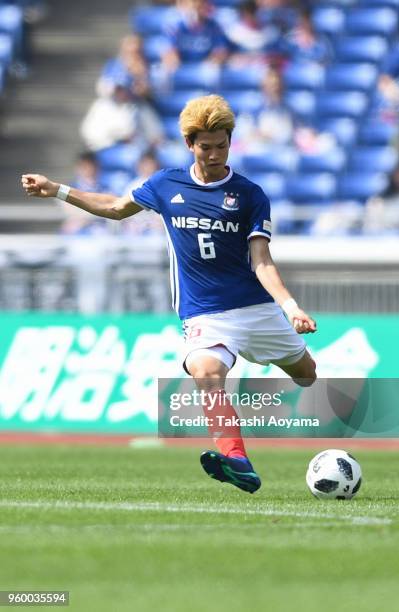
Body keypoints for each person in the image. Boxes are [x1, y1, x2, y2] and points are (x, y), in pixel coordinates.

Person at [21, 94, 317, 494]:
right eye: (205, 146)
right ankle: (237, 460)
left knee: (307, 376)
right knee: (206, 373)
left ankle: (281, 382)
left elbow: (262, 260)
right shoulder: (166, 184)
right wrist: (57, 189)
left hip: (255, 309)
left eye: (222, 145)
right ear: (189, 145)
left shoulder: (250, 195)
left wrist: (291, 307)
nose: (214, 155)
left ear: (231, 142)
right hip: (203, 314)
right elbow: (113, 206)